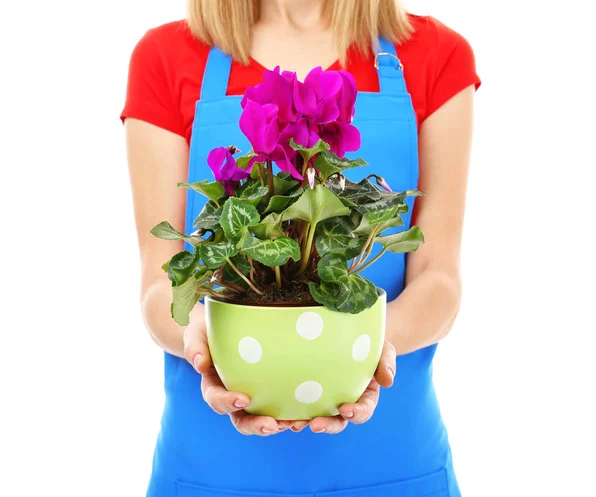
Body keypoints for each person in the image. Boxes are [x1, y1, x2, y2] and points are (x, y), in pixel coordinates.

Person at [121, 0, 481, 495]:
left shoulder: (436, 55)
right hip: (215, 471)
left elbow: (440, 276)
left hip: (391, 466)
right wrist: (207, 345)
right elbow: (161, 280)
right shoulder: (165, 56)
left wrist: (352, 356)